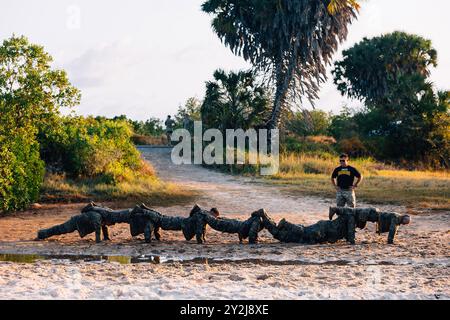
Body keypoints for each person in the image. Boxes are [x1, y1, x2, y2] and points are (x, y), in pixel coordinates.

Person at [252, 209, 357, 245]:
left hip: (320, 229)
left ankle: (266, 216)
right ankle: (284, 223)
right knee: (279, 233)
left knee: (279, 233)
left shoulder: (345, 223)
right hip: (319, 230)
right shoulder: (346, 223)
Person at [329, 207, 411, 244]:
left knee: (355, 213)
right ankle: (336, 209)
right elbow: (392, 230)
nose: (404, 224)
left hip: (374, 214)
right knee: (354, 212)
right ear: (403, 217)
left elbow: (394, 229)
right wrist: (390, 241)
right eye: (405, 222)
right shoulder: (396, 218)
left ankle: (337, 210)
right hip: (374, 214)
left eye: (405, 223)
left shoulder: (398, 218)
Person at [200, 208, 264, 244]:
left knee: (216, 220)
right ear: (212, 212)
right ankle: (200, 210)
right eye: (215, 215)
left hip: (234, 224)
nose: (216, 217)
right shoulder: (248, 224)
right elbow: (240, 230)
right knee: (214, 220)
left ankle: (201, 211)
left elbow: (240, 230)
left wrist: (241, 240)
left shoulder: (247, 225)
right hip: (234, 224)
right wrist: (241, 241)